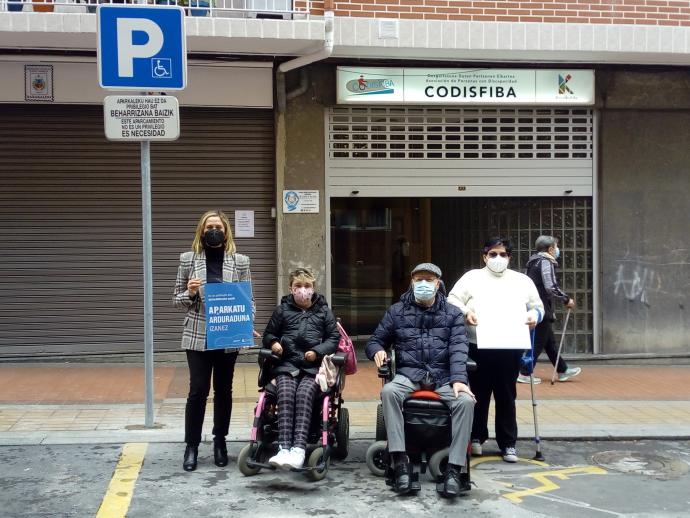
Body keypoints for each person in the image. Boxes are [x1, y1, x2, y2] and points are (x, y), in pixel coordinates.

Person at [366, 263, 475, 498]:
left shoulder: (453, 314)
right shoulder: (397, 311)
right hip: (409, 374)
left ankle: (455, 469)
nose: (423, 284)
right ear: (412, 282)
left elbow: (458, 349)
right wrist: (377, 350)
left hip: (442, 376)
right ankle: (400, 462)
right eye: (418, 279)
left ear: (438, 283)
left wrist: (459, 380)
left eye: (428, 280)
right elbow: (375, 340)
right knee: (389, 392)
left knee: (466, 401)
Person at [447, 238, 544, 463]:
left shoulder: (522, 281)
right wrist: (464, 313)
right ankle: (477, 437)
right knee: (477, 394)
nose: (497, 258)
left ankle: (508, 443)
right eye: (492, 254)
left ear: (510, 257)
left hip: (509, 345)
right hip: (477, 344)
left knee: (506, 395)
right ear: (484, 256)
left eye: (502, 254)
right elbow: (452, 299)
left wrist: (534, 317)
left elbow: (537, 307)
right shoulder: (472, 277)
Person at [173, 209, 253, 472]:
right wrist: (191, 292)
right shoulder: (188, 259)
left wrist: (246, 322)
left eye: (217, 226)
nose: (213, 231)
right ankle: (192, 446)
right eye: (208, 227)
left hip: (228, 333)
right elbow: (177, 300)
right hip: (197, 333)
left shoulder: (240, 261)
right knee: (197, 390)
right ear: (201, 231)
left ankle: (220, 442)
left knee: (224, 390)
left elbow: (247, 298)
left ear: (226, 230)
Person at [263, 268, 340, 470]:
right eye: (298, 286)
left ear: (313, 288)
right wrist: (273, 344)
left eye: (307, 286)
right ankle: (283, 448)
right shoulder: (282, 310)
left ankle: (298, 449)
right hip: (286, 366)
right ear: (291, 288)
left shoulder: (324, 311)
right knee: (286, 394)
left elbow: (334, 339)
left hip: (312, 368)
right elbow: (268, 333)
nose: (303, 290)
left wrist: (317, 351)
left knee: (304, 394)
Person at [524, 235, 581, 384]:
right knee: (538, 342)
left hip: (535, 305)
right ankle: (524, 372)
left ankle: (562, 370)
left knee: (549, 342)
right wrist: (566, 299)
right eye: (556, 247)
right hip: (541, 308)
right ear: (550, 249)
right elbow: (550, 286)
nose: (557, 250)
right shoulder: (545, 262)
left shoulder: (532, 261)